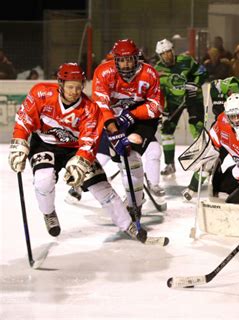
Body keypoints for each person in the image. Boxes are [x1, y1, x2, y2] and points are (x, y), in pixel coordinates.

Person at [8, 63, 148, 243]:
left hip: (75, 150)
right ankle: (49, 213)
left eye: (78, 87)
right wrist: (19, 144)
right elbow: (24, 121)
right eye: (70, 87)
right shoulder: (41, 93)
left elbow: (89, 141)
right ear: (60, 84)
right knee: (43, 181)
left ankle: (128, 225)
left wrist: (80, 163)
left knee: (102, 189)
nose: (74, 91)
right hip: (44, 144)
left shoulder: (90, 109)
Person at [92, 39, 166, 213]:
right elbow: (101, 106)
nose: (126, 64)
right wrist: (115, 130)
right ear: (115, 60)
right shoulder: (103, 72)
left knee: (131, 158)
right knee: (112, 159)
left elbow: (156, 107)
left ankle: (135, 205)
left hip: (141, 122)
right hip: (113, 121)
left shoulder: (149, 74)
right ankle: (135, 195)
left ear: (137, 58)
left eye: (130, 59)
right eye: (122, 60)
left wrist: (131, 116)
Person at [182, 64, 239, 200]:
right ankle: (193, 187)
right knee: (209, 157)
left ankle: (235, 188)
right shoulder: (231, 83)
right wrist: (218, 104)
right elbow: (214, 85)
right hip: (223, 127)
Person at [154, 38, 208, 179]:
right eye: (163, 54)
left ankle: (202, 161)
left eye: (168, 52)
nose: (167, 56)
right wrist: (163, 112)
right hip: (173, 102)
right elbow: (159, 92)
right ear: (159, 56)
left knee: (197, 127)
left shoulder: (186, 60)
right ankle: (170, 164)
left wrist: (195, 85)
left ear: (173, 51)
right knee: (166, 130)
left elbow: (202, 72)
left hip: (193, 99)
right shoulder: (158, 70)